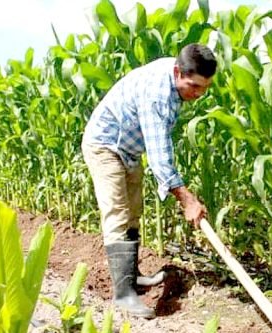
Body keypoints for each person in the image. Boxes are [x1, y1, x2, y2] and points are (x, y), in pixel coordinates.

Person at [81, 43, 217, 318]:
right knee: (118, 214)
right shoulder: (157, 94)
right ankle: (124, 295)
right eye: (194, 86)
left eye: (205, 88)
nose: (199, 94)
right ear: (178, 72)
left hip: (129, 149)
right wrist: (187, 199)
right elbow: (159, 156)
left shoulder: (175, 78)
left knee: (133, 212)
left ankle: (133, 277)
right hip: (105, 145)